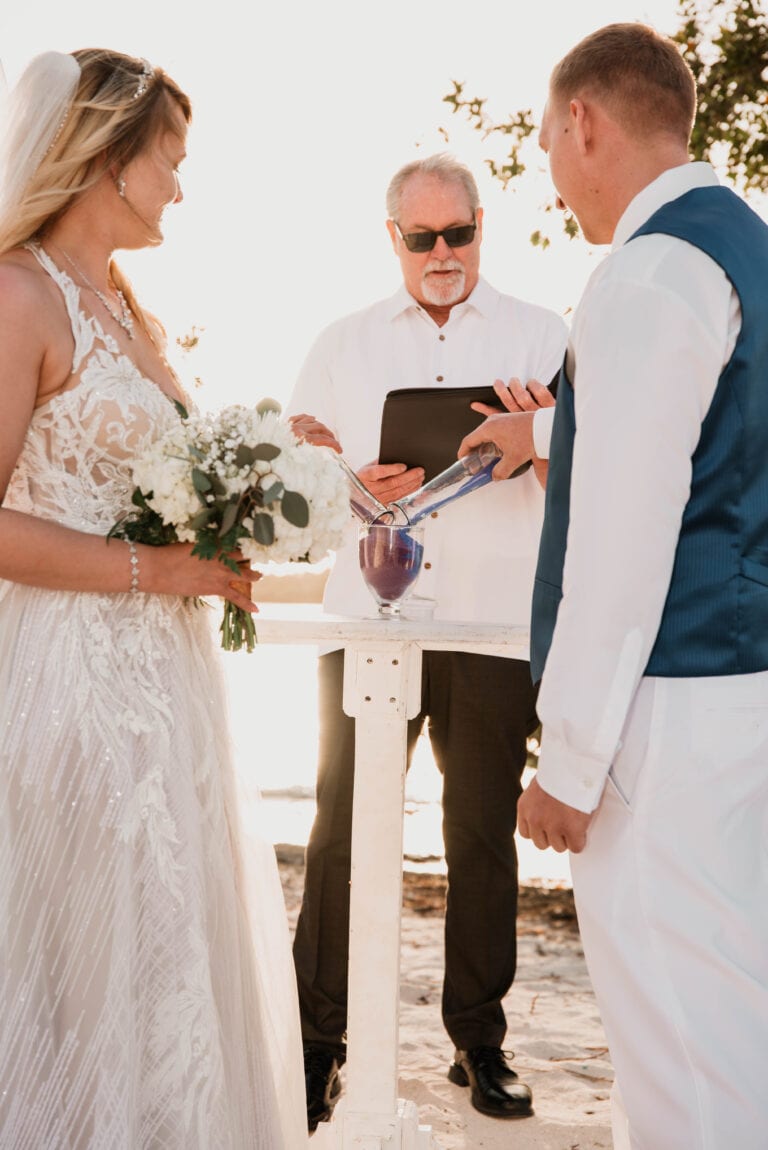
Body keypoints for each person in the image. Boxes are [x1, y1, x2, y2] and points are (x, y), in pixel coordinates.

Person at [463, 22, 768, 1150]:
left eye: (547, 141)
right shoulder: (749, 251)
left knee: (682, 1039)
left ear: (583, 122)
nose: (550, 165)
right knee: (731, 1007)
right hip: (743, 690)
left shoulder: (648, 271)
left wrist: (571, 762)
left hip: (669, 714)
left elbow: (623, 540)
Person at [0, 50, 307, 1148]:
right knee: (88, 967)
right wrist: (162, 571)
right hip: (70, 689)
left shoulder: (127, 309)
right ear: (107, 158)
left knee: (169, 958)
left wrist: (273, 468)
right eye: (170, 158)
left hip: (167, 682)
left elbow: (155, 487)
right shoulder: (19, 294)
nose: (181, 183)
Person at [286, 152, 568, 1131]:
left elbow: (591, 478)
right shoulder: (339, 342)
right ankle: (317, 1039)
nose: (445, 253)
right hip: (366, 614)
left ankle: (477, 1038)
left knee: (481, 835)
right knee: (338, 835)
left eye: (461, 233)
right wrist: (346, 479)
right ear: (393, 237)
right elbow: (292, 481)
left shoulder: (547, 333)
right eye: (424, 237)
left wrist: (544, 447)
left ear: (484, 226)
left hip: (494, 624)